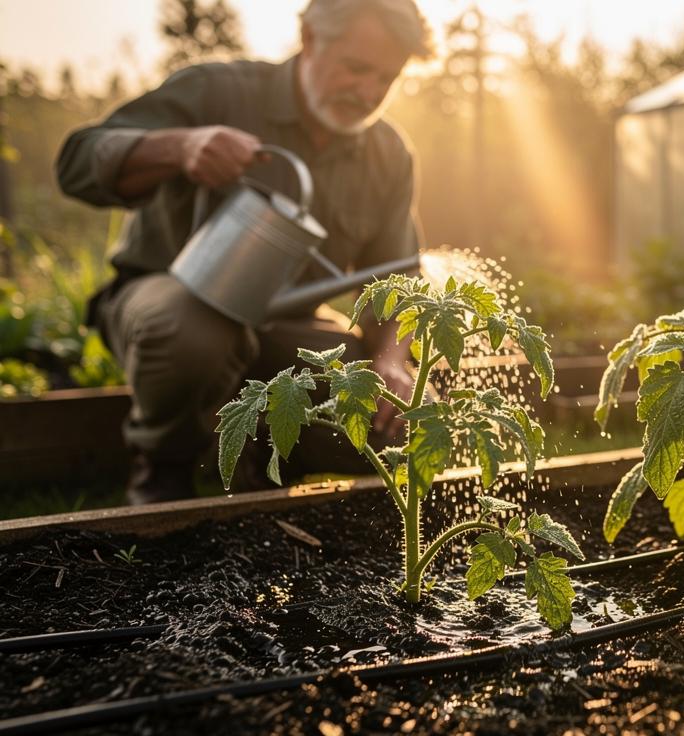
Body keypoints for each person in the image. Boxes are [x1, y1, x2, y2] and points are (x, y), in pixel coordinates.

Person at [55, 0, 432, 504]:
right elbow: (77, 161)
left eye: (385, 79)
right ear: (309, 38)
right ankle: (163, 474)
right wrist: (181, 148)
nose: (367, 93)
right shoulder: (218, 92)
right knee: (193, 327)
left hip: (285, 330)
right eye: (356, 68)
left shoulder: (386, 152)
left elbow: (395, 284)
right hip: (167, 305)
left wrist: (390, 363)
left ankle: (263, 458)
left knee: (397, 420)